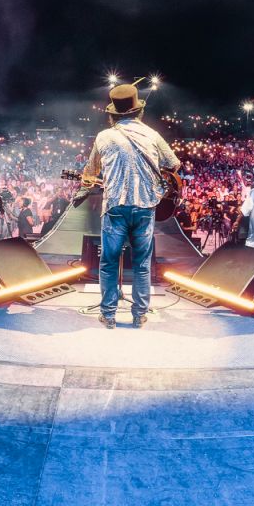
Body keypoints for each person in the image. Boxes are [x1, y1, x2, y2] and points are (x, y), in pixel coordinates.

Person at [82, 82, 180, 328]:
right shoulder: (152, 135)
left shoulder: (104, 136)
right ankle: (139, 315)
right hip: (145, 207)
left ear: (114, 113)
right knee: (142, 264)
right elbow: (173, 163)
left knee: (108, 263)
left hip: (115, 206)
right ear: (138, 111)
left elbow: (90, 173)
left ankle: (109, 314)